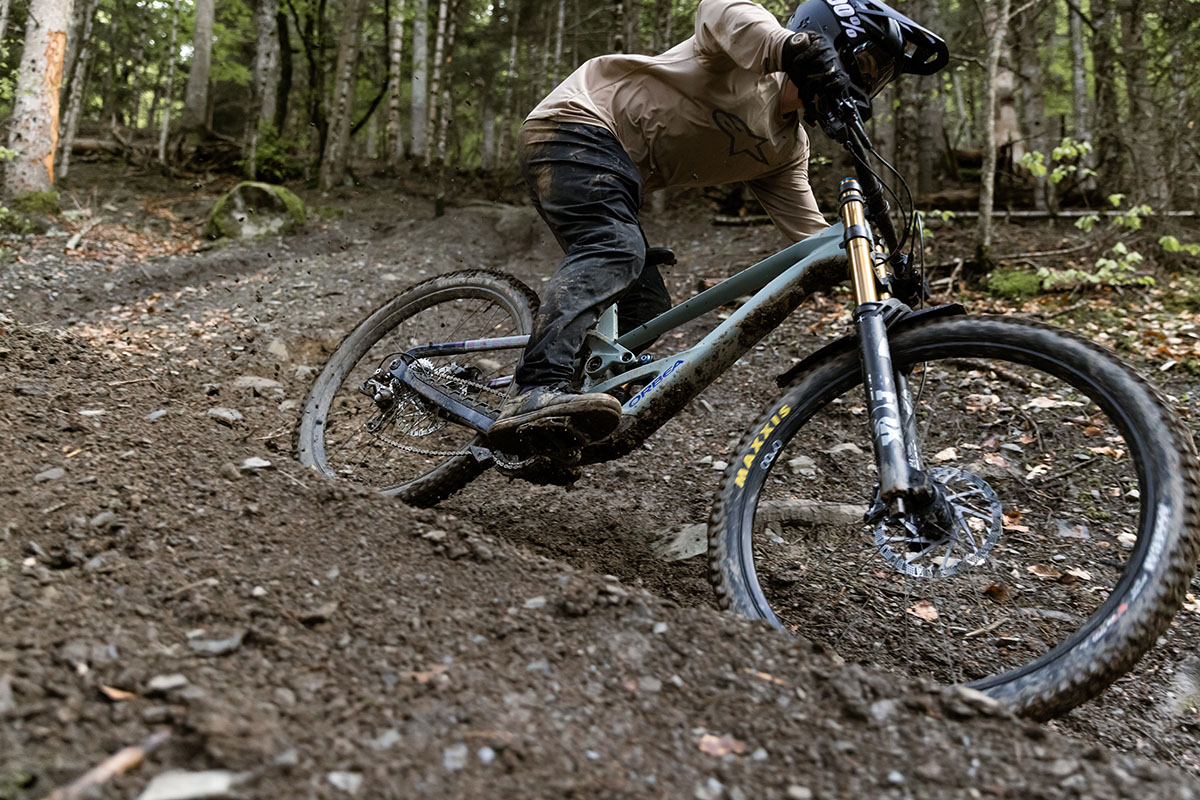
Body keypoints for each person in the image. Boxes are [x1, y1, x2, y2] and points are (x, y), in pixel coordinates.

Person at [486, 0, 857, 458]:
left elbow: (811, 241)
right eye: (867, 64)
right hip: (573, 125)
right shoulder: (747, 54)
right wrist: (790, 46)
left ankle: (559, 415)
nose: (867, 82)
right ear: (831, 43)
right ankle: (535, 387)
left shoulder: (786, 148)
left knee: (647, 303)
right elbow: (720, 8)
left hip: (612, 174)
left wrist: (870, 269)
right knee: (616, 248)